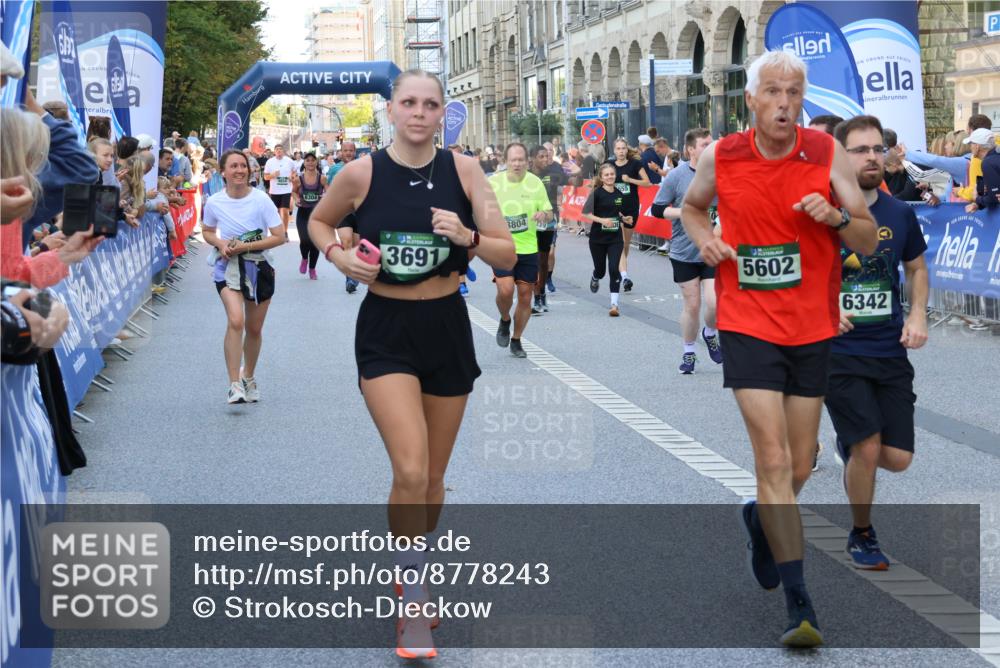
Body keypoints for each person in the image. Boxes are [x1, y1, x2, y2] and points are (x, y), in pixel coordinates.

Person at [307, 69, 514, 660]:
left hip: (447, 327)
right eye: (408, 103)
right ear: (391, 111)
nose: (419, 113)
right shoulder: (362, 172)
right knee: (411, 465)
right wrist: (338, 257)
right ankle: (415, 598)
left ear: (442, 112)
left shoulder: (465, 171)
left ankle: (409, 564)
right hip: (386, 331)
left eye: (430, 104)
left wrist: (468, 236)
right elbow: (319, 220)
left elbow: (506, 250)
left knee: (434, 480)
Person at [680, 49, 878, 648]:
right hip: (746, 322)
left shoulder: (826, 153)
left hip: (812, 325)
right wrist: (707, 239)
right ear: (752, 98)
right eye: (773, 92)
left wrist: (837, 214)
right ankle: (799, 603)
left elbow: (867, 238)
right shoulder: (723, 155)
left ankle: (760, 520)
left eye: (794, 93)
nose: (785, 104)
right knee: (770, 460)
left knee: (797, 465)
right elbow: (689, 208)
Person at [822, 114, 928, 570]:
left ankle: (852, 450)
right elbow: (799, 272)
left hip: (890, 350)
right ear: (840, 157)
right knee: (867, 446)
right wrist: (827, 307)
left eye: (876, 148)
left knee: (897, 458)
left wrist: (919, 314)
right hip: (838, 352)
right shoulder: (821, 210)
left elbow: (916, 269)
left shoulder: (899, 212)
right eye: (860, 150)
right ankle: (862, 533)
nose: (871, 156)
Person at [201, 150, 286, 404]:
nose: (240, 170)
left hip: (258, 267)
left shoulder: (261, 200)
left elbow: (279, 236)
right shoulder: (215, 202)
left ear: (249, 172)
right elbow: (207, 231)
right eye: (234, 166)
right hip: (227, 266)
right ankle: (234, 384)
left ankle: (248, 375)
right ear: (223, 172)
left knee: (254, 328)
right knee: (236, 321)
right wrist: (220, 241)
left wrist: (246, 246)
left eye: (243, 166)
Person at [651, 128, 722, 373]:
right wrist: (685, 212)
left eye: (711, 144)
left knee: (714, 303)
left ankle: (710, 332)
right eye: (705, 144)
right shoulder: (677, 176)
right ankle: (689, 352)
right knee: (692, 306)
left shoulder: (722, 174)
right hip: (684, 251)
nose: (710, 148)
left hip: (712, 249)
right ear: (691, 149)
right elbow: (658, 209)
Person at [489, 142, 553, 358]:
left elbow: (549, 212)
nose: (516, 163)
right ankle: (505, 319)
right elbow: (480, 210)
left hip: (528, 247)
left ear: (527, 161)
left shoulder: (535, 183)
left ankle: (516, 340)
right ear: (505, 161)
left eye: (520, 160)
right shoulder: (494, 183)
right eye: (512, 160)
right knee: (505, 290)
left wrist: (543, 215)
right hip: (502, 247)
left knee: (525, 296)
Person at [582, 163, 628, 316]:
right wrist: (602, 221)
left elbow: (618, 212)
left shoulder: (619, 194)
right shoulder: (597, 194)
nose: (610, 177)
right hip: (598, 239)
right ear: (601, 178)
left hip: (615, 238)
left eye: (612, 174)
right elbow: (586, 213)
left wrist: (624, 218)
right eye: (606, 175)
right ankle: (595, 276)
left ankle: (614, 304)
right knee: (601, 271)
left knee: (614, 269)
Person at [609, 137, 651, 292]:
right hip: (615, 209)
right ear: (614, 150)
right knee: (619, 242)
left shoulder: (635, 164)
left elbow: (647, 183)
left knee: (626, 243)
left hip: (631, 208)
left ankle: (621, 269)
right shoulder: (610, 166)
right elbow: (601, 183)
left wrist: (631, 180)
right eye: (618, 149)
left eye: (623, 148)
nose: (621, 151)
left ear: (627, 150)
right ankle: (625, 276)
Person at [529, 145, 565, 313]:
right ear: (533, 158)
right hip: (530, 221)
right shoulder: (526, 175)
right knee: (535, 260)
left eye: (546, 156)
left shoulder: (554, 172)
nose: (545, 159)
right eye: (541, 156)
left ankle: (541, 292)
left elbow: (571, 182)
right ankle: (536, 297)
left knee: (543, 260)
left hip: (548, 220)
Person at [324, 141, 360, 292]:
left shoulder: (363, 167)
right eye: (345, 150)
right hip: (342, 211)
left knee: (357, 245)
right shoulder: (334, 169)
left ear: (354, 152)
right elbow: (326, 183)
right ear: (341, 152)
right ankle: (350, 278)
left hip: (359, 211)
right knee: (346, 241)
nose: (348, 153)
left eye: (351, 151)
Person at [290, 152, 326, 279]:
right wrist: (296, 199)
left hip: (317, 215)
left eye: (313, 160)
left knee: (315, 243)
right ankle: (304, 258)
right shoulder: (298, 179)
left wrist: (324, 196)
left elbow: (329, 191)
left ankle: (312, 269)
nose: (310, 163)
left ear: (316, 162)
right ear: (304, 163)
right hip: (303, 213)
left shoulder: (322, 178)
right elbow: (293, 192)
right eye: (308, 160)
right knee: (304, 240)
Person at [263, 143, 295, 238]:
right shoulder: (270, 162)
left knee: (285, 211)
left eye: (280, 149)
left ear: (283, 151)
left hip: (286, 190)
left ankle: (285, 232)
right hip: (274, 191)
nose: (279, 151)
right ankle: (277, 232)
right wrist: (272, 175)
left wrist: (292, 176)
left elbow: (294, 172)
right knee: (275, 212)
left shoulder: (289, 161)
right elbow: (265, 177)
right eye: (277, 149)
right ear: (274, 152)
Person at [966, 128, 1000, 212]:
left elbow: (994, 198)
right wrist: (978, 204)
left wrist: (977, 199)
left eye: (971, 143)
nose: (970, 147)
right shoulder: (995, 157)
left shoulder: (988, 162)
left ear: (977, 146)